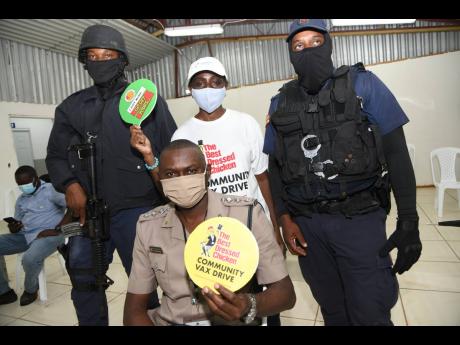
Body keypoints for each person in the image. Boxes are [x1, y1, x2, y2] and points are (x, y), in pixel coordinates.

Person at [264, 19, 422, 325]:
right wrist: (285, 220)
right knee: (333, 310)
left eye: (315, 42)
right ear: (290, 53)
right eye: (298, 45)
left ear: (329, 43)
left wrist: (409, 221)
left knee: (370, 310)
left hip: (359, 220)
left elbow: (397, 154)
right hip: (308, 227)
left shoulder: (364, 85)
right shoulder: (281, 102)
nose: (307, 50)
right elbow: (275, 167)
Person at [46, 24, 177, 325]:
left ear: (122, 60)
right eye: (92, 56)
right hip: (86, 211)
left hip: (138, 210)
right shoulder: (72, 107)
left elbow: (171, 150)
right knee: (83, 280)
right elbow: (55, 156)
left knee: (145, 284)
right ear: (84, 61)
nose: (99, 61)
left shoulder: (146, 100)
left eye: (107, 55)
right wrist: (69, 184)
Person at [123, 139, 295, 326]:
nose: (181, 180)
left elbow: (285, 293)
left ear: (208, 172)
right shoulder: (149, 226)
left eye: (191, 171)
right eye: (171, 174)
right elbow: (133, 311)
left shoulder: (247, 214)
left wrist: (248, 305)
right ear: (161, 180)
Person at [170, 57, 285, 256]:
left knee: (267, 285)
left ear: (225, 86)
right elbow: (183, 194)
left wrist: (276, 228)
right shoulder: (182, 136)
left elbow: (263, 179)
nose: (208, 89)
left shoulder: (246, 123)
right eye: (200, 83)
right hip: (214, 234)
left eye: (216, 82)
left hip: (255, 224)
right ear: (190, 89)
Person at [0, 166, 65, 306]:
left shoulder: (51, 190)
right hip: (26, 235)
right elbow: (17, 224)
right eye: (20, 185)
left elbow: (74, 206)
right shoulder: (21, 200)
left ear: (35, 179)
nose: (23, 187)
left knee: (29, 258)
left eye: (26, 183)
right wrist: (14, 228)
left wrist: (57, 229)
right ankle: (4, 292)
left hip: (50, 235)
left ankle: (31, 289)